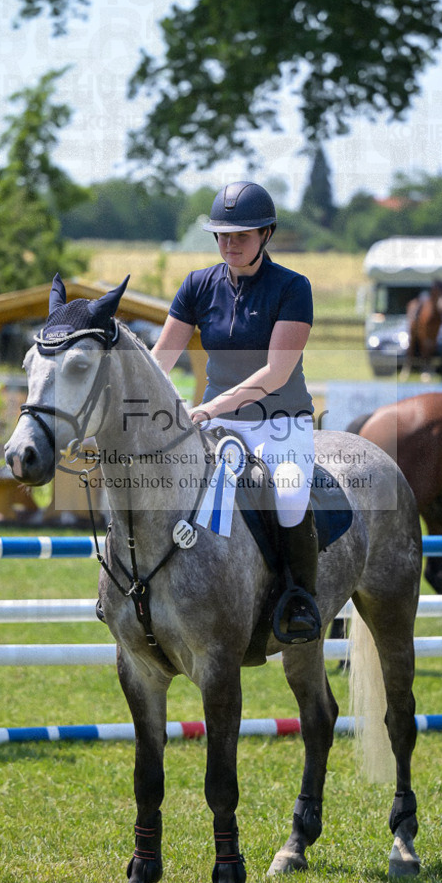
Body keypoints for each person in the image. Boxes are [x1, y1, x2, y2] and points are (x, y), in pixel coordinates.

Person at [151, 181, 319, 638]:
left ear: (266, 234)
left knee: (287, 495)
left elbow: (276, 373)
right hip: (216, 425)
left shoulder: (292, 288)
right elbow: (159, 362)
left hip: (281, 424)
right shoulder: (198, 285)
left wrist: (207, 409)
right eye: (223, 236)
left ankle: (298, 597)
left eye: (241, 236)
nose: (230, 245)